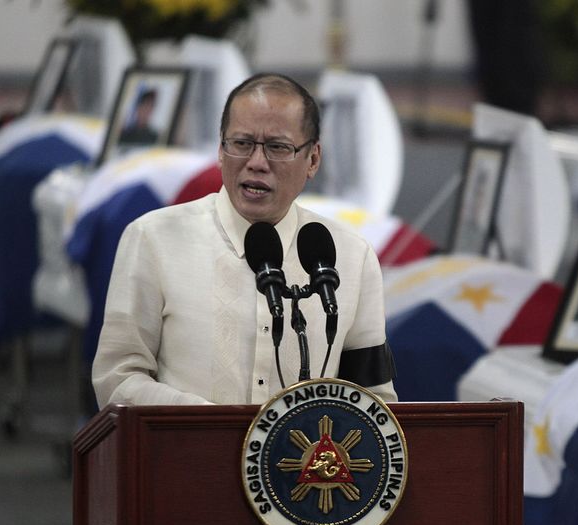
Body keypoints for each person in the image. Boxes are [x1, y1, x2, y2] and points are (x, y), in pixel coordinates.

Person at [92, 73, 398, 406]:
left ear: (313, 160)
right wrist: (205, 424)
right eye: (241, 143)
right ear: (221, 150)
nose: (256, 163)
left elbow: (375, 401)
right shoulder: (152, 240)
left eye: (277, 147)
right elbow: (117, 378)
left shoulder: (353, 258)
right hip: (189, 456)